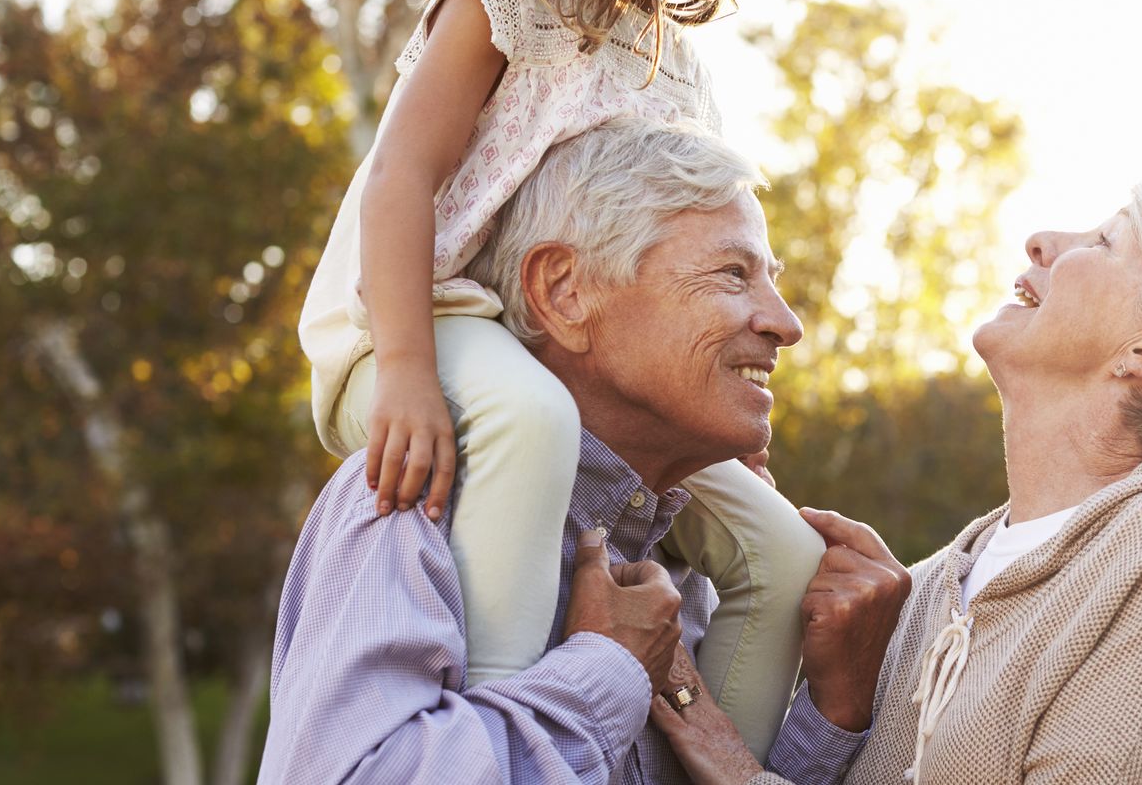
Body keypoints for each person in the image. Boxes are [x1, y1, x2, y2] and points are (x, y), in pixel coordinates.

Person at [294, 0, 839, 756]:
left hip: (559, 343)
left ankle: (710, 766)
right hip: (428, 313)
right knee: (530, 422)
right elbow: (401, 177)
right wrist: (404, 368)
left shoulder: (668, 58)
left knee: (777, 545)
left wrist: (717, 417)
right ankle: (510, 737)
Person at [261, 120, 909, 783]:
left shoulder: (682, 577)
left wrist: (837, 708)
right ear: (565, 292)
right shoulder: (408, 506)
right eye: (732, 274)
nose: (786, 323)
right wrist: (606, 667)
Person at [649, 182, 1142, 784]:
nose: (1041, 241)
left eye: (1106, 241)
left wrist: (717, 746)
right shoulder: (925, 588)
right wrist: (839, 705)